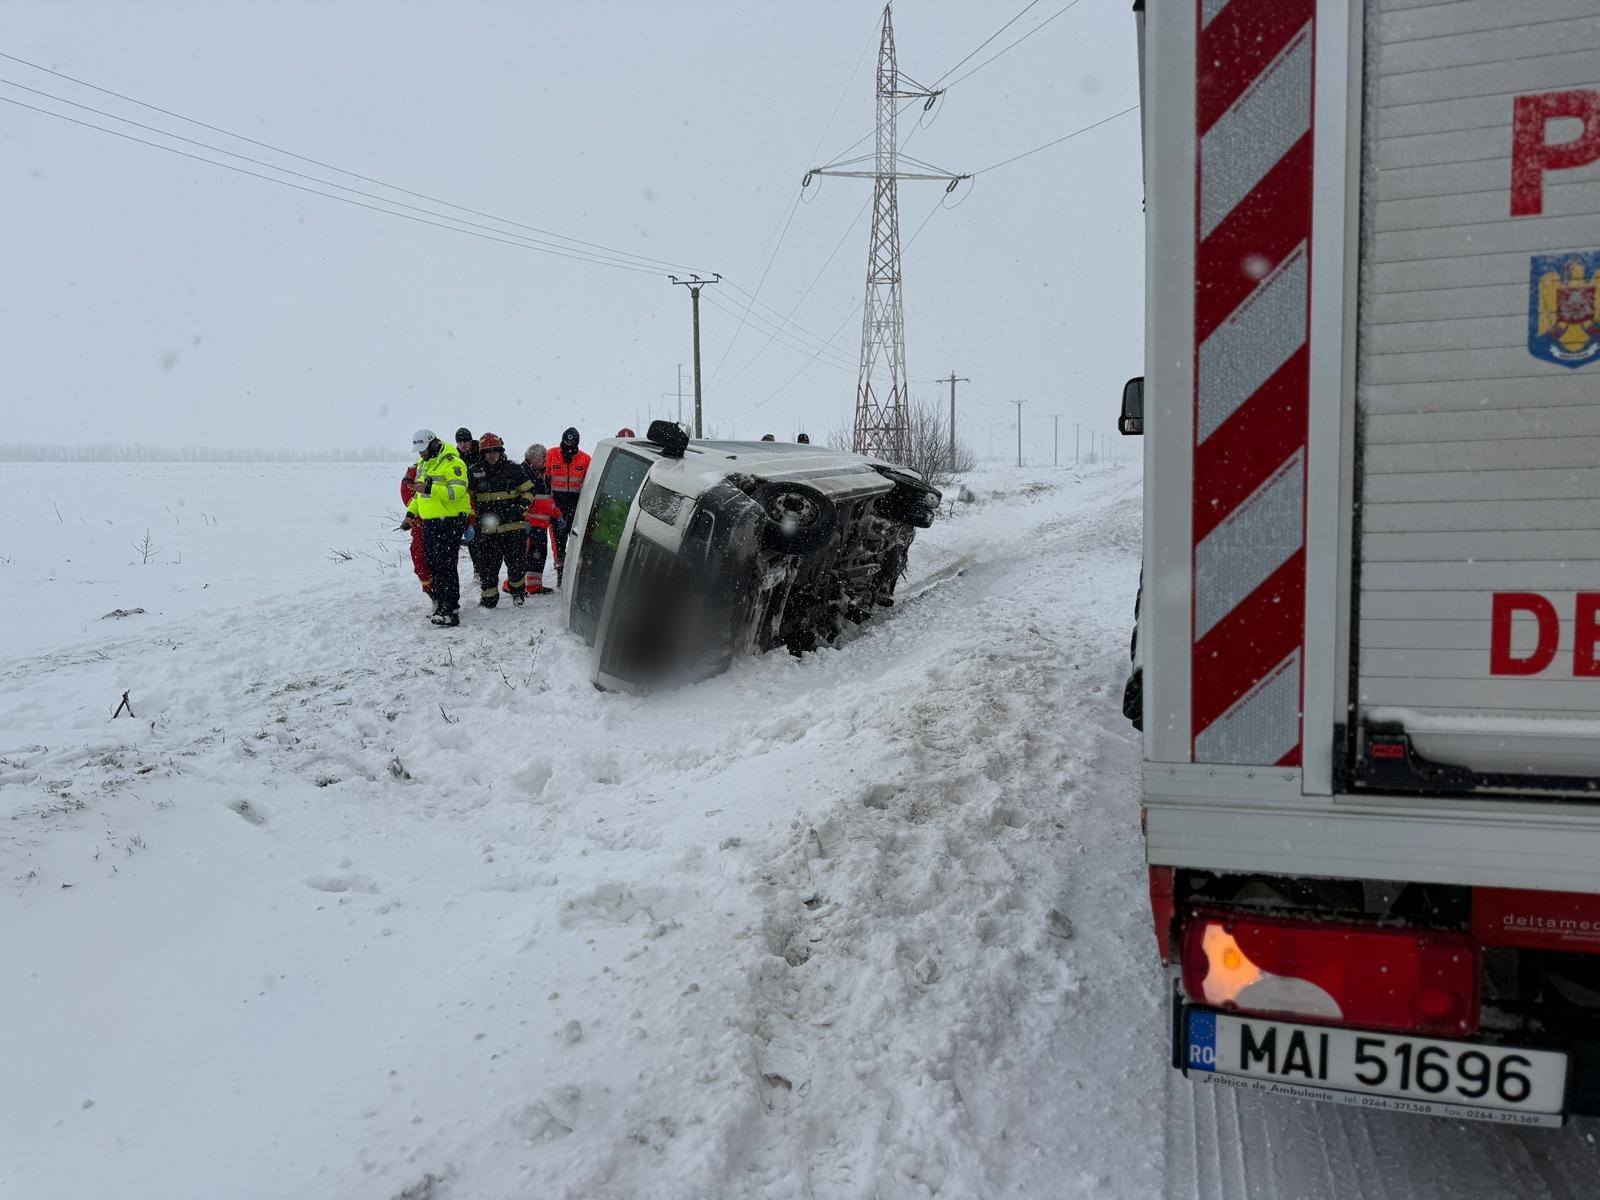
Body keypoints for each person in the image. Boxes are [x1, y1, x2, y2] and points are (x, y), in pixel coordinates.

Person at [407, 429, 473, 626]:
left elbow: (457, 492)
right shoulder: (423, 464)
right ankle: (442, 605)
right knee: (435, 565)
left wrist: (429, 488)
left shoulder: (453, 462)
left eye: (424, 450)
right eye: (419, 451)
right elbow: (419, 496)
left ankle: (451, 610)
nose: (421, 454)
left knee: (445, 565)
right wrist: (410, 514)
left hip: (450, 520)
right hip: (430, 522)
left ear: (434, 444)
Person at [465, 433, 535, 607]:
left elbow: (529, 491)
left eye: (495, 451)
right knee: (487, 567)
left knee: (516, 565)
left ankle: (517, 592)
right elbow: (466, 498)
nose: (492, 455)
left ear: (501, 451)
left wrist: (521, 508)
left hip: (513, 527)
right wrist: (470, 519)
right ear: (482, 453)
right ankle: (489, 599)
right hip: (488, 531)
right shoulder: (474, 472)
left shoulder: (514, 469)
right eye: (488, 452)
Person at [504, 443, 564, 596]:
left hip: (542, 524)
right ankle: (510, 584)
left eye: (545, 456)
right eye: (541, 457)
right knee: (522, 556)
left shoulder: (544, 474)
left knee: (538, 555)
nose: (545, 459)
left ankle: (533, 586)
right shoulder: (522, 472)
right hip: (528, 523)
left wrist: (557, 515)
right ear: (531, 457)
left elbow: (548, 499)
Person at [545, 427, 590, 584]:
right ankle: (561, 572)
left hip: (576, 506)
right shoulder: (551, 454)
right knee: (558, 541)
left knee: (577, 540)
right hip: (556, 506)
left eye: (573, 443)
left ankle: (578, 571)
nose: (569, 446)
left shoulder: (585, 459)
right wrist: (549, 504)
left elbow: (589, 484)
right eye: (567, 442)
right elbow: (545, 479)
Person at [398, 463, 432, 602]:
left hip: (443, 523)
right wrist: (412, 517)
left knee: (445, 563)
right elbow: (410, 496)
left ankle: (447, 599)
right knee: (420, 561)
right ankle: (433, 595)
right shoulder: (416, 469)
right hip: (421, 525)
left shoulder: (446, 466)